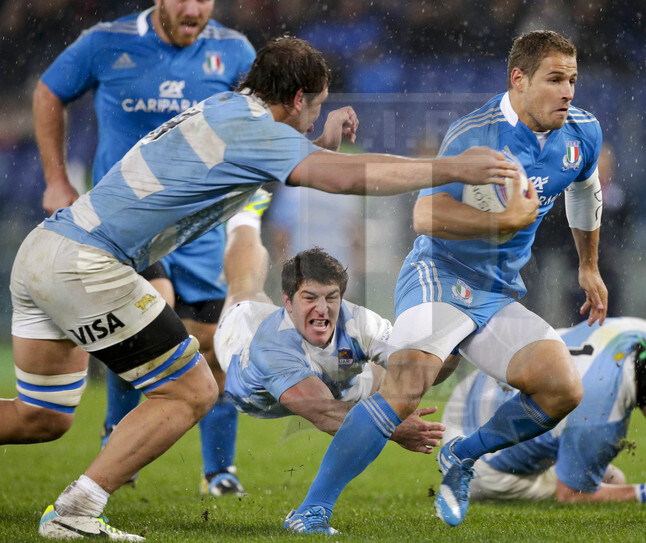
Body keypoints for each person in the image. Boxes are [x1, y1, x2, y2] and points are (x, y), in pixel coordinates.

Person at [6, 36, 518, 541]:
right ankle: (76, 510)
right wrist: (451, 168)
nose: (315, 119)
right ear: (298, 99)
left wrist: (318, 146)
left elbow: (265, 162)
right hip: (88, 264)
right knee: (192, 391)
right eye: (315, 108)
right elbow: (339, 180)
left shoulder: (227, 110)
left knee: (41, 417)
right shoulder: (253, 129)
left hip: (46, 247)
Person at [285, 30, 607, 533]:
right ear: (519, 80)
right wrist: (504, 223)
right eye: (555, 80)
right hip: (442, 275)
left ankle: (461, 454)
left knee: (562, 388)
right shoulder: (475, 134)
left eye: (572, 80)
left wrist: (588, 265)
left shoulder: (582, 133)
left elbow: (585, 191)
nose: (567, 92)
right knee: (408, 383)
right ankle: (311, 510)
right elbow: (425, 213)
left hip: (499, 292)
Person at [32, 0, 257, 496]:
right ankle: (119, 437)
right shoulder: (106, 42)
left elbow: (259, 126)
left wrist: (248, 207)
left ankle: (219, 470)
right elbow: (49, 91)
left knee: (213, 344)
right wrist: (56, 178)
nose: (194, 7)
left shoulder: (234, 52)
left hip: (200, 227)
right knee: (147, 320)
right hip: (127, 224)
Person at [441, 317, 646, 503]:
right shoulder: (601, 419)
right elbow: (571, 494)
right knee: (613, 478)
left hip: (473, 389)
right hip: (481, 461)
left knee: (596, 468)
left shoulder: (633, 334)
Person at [214, 220, 447, 453]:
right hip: (246, 371)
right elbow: (325, 412)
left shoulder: (360, 322)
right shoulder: (270, 347)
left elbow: (420, 367)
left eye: (331, 297)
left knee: (385, 370)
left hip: (341, 385)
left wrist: (454, 337)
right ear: (288, 301)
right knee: (246, 288)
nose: (322, 308)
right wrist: (396, 427)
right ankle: (245, 217)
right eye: (310, 298)